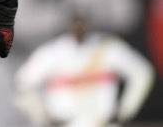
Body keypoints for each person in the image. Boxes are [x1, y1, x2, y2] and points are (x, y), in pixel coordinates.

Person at [15, 11, 154, 127]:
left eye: (82, 23)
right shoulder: (53, 52)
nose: (79, 28)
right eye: (75, 23)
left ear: (89, 24)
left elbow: (142, 72)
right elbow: (22, 84)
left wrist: (125, 110)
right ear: (68, 25)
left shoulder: (106, 48)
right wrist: (43, 116)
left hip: (103, 122)